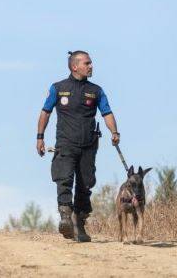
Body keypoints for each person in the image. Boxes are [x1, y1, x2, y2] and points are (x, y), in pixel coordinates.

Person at [36, 51, 120, 242]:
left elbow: (107, 113)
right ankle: (65, 217)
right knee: (63, 178)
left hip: (89, 144)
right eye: (87, 63)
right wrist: (40, 137)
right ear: (75, 66)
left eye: (91, 63)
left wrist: (114, 132)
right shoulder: (58, 88)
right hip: (65, 143)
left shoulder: (96, 90)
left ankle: (79, 223)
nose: (91, 66)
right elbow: (45, 113)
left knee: (86, 183)